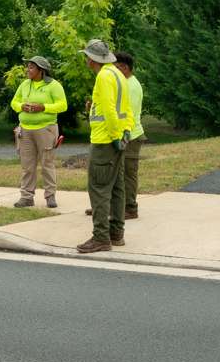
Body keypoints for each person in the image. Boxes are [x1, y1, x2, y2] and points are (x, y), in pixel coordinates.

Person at [76, 39, 135, 254]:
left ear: (92, 60)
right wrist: (125, 134)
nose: (86, 61)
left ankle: (101, 237)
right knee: (117, 187)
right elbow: (126, 108)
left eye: (86, 57)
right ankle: (116, 233)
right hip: (119, 138)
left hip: (104, 141)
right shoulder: (119, 74)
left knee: (99, 189)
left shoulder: (103, 76)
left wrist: (114, 136)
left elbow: (110, 109)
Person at [9, 56, 67, 209]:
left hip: (46, 129)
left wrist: (43, 107)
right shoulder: (24, 85)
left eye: (31, 67)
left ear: (41, 70)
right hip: (25, 130)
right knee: (27, 165)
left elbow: (62, 105)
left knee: (47, 163)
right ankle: (26, 197)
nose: (28, 70)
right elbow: (14, 102)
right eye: (27, 67)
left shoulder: (54, 86)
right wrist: (22, 106)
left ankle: (50, 196)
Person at [114, 52, 145, 220]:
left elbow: (128, 114)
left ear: (125, 68)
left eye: (117, 67)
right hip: (124, 135)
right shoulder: (123, 83)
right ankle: (114, 207)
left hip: (131, 136)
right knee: (118, 173)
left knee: (128, 174)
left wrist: (122, 137)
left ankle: (131, 208)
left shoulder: (131, 86)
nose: (114, 71)